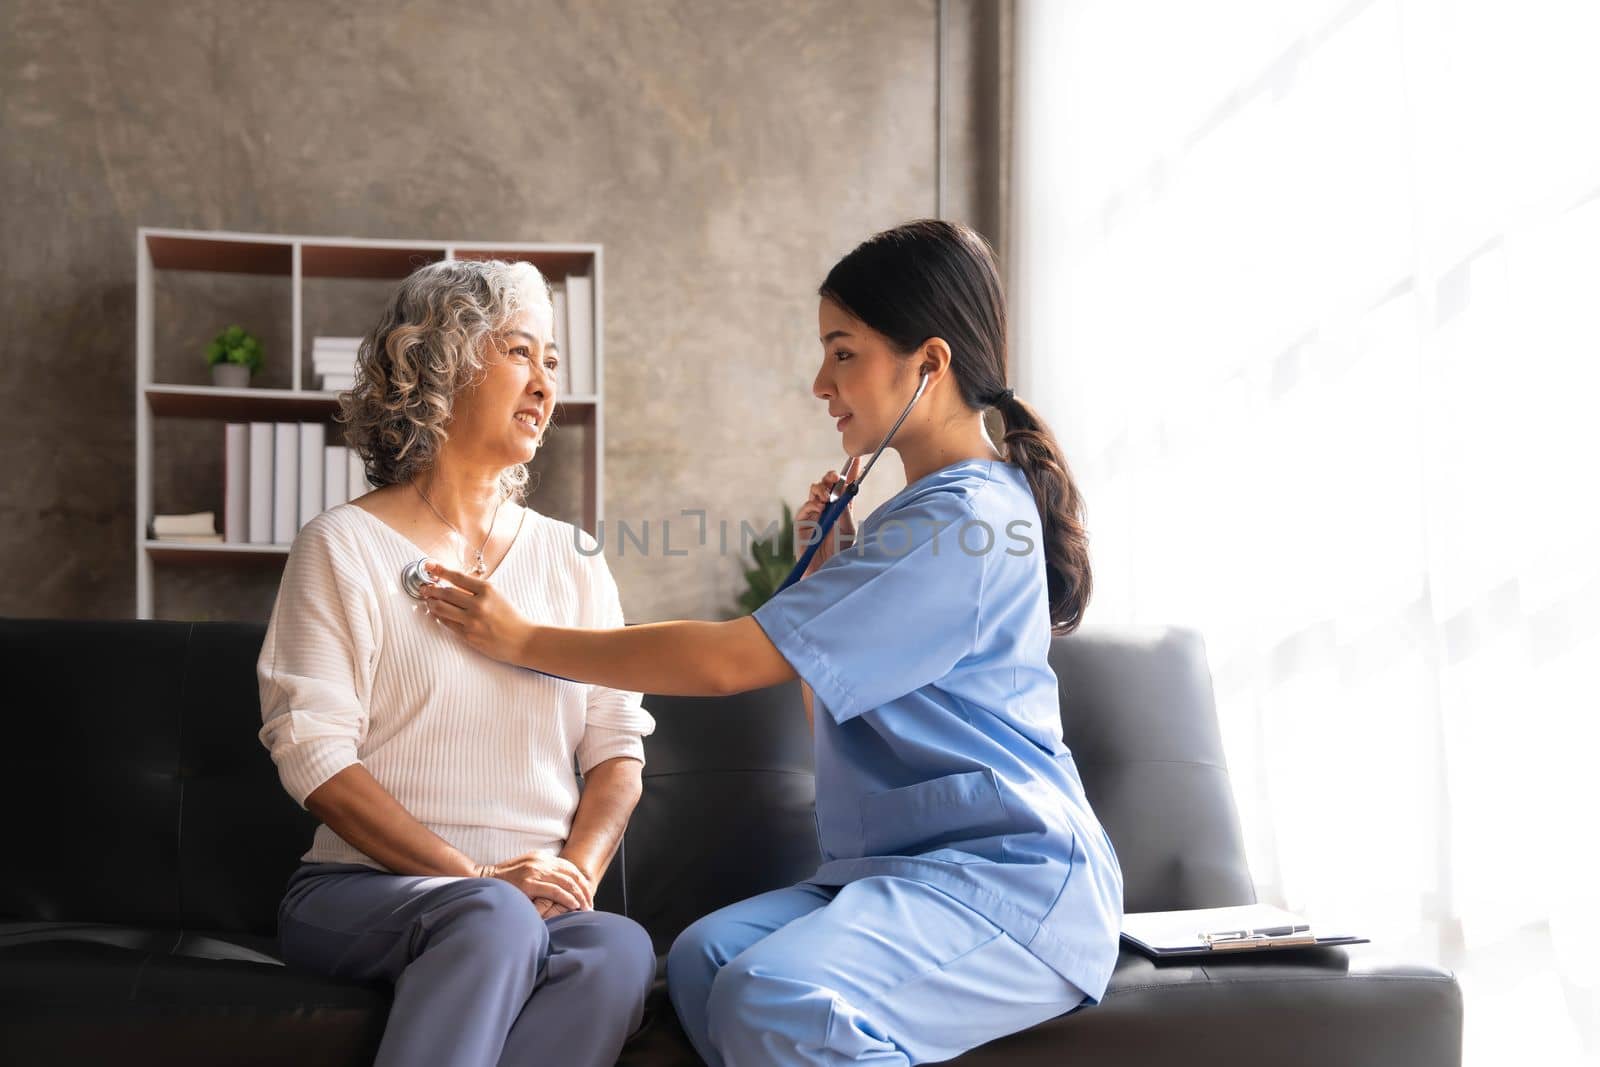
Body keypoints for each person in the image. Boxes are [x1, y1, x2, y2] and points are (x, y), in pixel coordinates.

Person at [417, 220, 1124, 1066]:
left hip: (1008, 883)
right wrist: (828, 571)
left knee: (775, 994)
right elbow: (827, 706)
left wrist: (523, 637)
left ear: (928, 363)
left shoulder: (964, 520)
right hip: (899, 874)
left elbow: (726, 662)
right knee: (705, 960)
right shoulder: (911, 526)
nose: (821, 380)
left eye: (844, 352)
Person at [256, 258, 657, 1067]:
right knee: (491, 917)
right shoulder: (342, 546)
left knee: (617, 948)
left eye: (552, 361)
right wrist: (477, 877)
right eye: (520, 351)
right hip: (364, 890)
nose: (546, 383)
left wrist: (569, 878)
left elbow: (618, 750)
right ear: (438, 363)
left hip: (524, 900)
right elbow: (316, 756)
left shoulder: (573, 557)